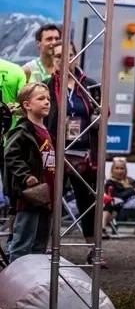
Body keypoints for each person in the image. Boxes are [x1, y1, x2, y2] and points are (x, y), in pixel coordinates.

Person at [45, 41, 106, 267]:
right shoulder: (46, 86)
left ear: (76, 56)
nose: (65, 59)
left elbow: (103, 113)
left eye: (69, 54)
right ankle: (48, 248)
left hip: (84, 152)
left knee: (88, 201)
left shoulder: (90, 85)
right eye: (59, 56)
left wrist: (100, 116)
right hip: (55, 152)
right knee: (51, 201)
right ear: (53, 59)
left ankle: (93, 250)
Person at [4, 83, 55, 261]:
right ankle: (15, 275)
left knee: (41, 243)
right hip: (31, 195)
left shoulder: (47, 131)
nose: (47, 102)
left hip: (48, 195)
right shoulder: (22, 130)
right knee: (23, 242)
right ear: (27, 105)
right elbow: (11, 155)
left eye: (48, 98)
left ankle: (35, 274)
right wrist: (25, 175)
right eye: (41, 99)